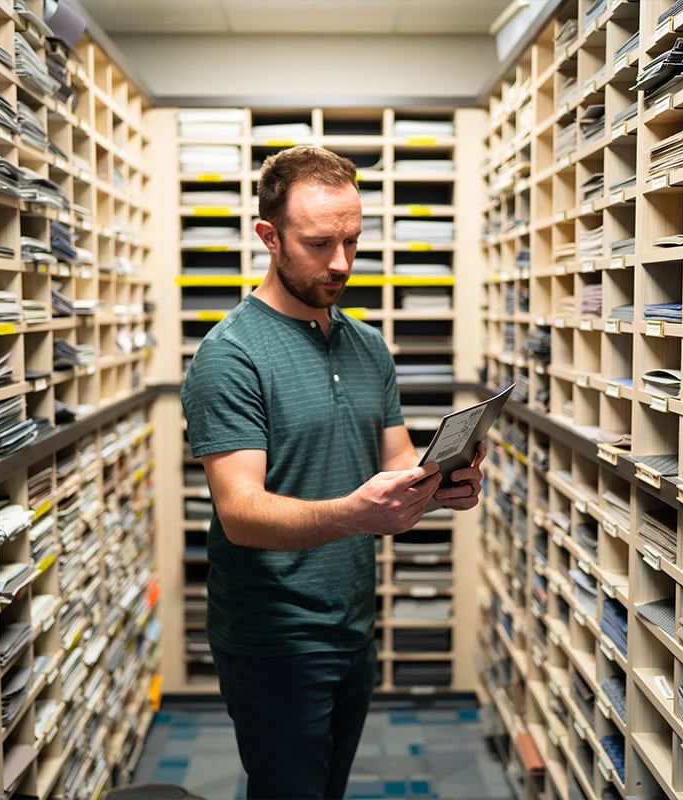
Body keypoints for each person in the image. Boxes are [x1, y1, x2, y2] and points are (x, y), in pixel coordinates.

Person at [179, 144, 486, 800]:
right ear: (269, 236)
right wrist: (356, 513)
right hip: (274, 637)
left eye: (352, 240)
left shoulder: (368, 345)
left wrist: (439, 484)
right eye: (320, 244)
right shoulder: (229, 357)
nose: (342, 263)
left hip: (351, 620)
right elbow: (241, 513)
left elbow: (395, 462)